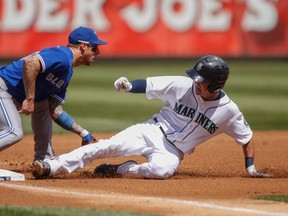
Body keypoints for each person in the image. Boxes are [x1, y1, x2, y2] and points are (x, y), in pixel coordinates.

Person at [32, 55, 270, 179]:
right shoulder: (182, 85)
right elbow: (148, 85)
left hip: (173, 151)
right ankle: (51, 166)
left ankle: (123, 170)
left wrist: (250, 168)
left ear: (215, 84)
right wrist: (128, 86)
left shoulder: (229, 111)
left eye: (201, 81)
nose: (196, 83)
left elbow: (246, 138)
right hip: (151, 130)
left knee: (161, 171)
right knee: (103, 147)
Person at [0, 26, 107, 161]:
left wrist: (84, 134)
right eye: (94, 48)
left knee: (43, 103)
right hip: (3, 86)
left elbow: (55, 110)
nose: (97, 52)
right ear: (83, 46)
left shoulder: (66, 73)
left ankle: (44, 159)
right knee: (14, 132)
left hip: (8, 94)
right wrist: (30, 98)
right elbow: (31, 62)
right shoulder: (63, 55)